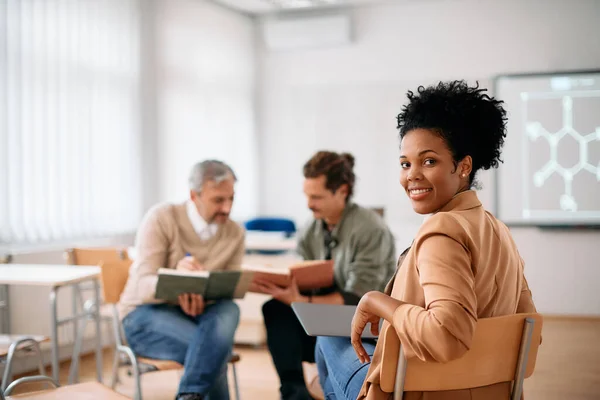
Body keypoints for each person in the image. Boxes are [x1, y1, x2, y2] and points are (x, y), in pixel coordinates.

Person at [314, 81, 537, 400]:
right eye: (405, 163)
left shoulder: (443, 230)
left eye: (429, 161)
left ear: (463, 166)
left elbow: (446, 337)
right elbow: (528, 334)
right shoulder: (498, 229)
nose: (412, 175)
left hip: (416, 390)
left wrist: (375, 300)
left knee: (326, 339)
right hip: (489, 391)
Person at [257, 151, 397, 400]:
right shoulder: (310, 228)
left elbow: (358, 299)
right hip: (324, 317)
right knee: (274, 309)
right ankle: (294, 392)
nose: (309, 204)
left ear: (342, 190)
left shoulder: (370, 229)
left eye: (317, 197)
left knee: (295, 310)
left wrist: (298, 301)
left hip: (362, 325)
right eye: (307, 196)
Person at [118, 160, 245, 400]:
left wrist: (200, 297)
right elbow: (142, 286)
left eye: (231, 198)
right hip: (144, 315)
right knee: (214, 349)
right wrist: (177, 280)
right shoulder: (161, 218)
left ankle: (189, 396)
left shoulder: (235, 232)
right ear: (194, 196)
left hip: (200, 317)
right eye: (218, 200)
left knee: (229, 309)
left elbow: (228, 287)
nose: (227, 208)